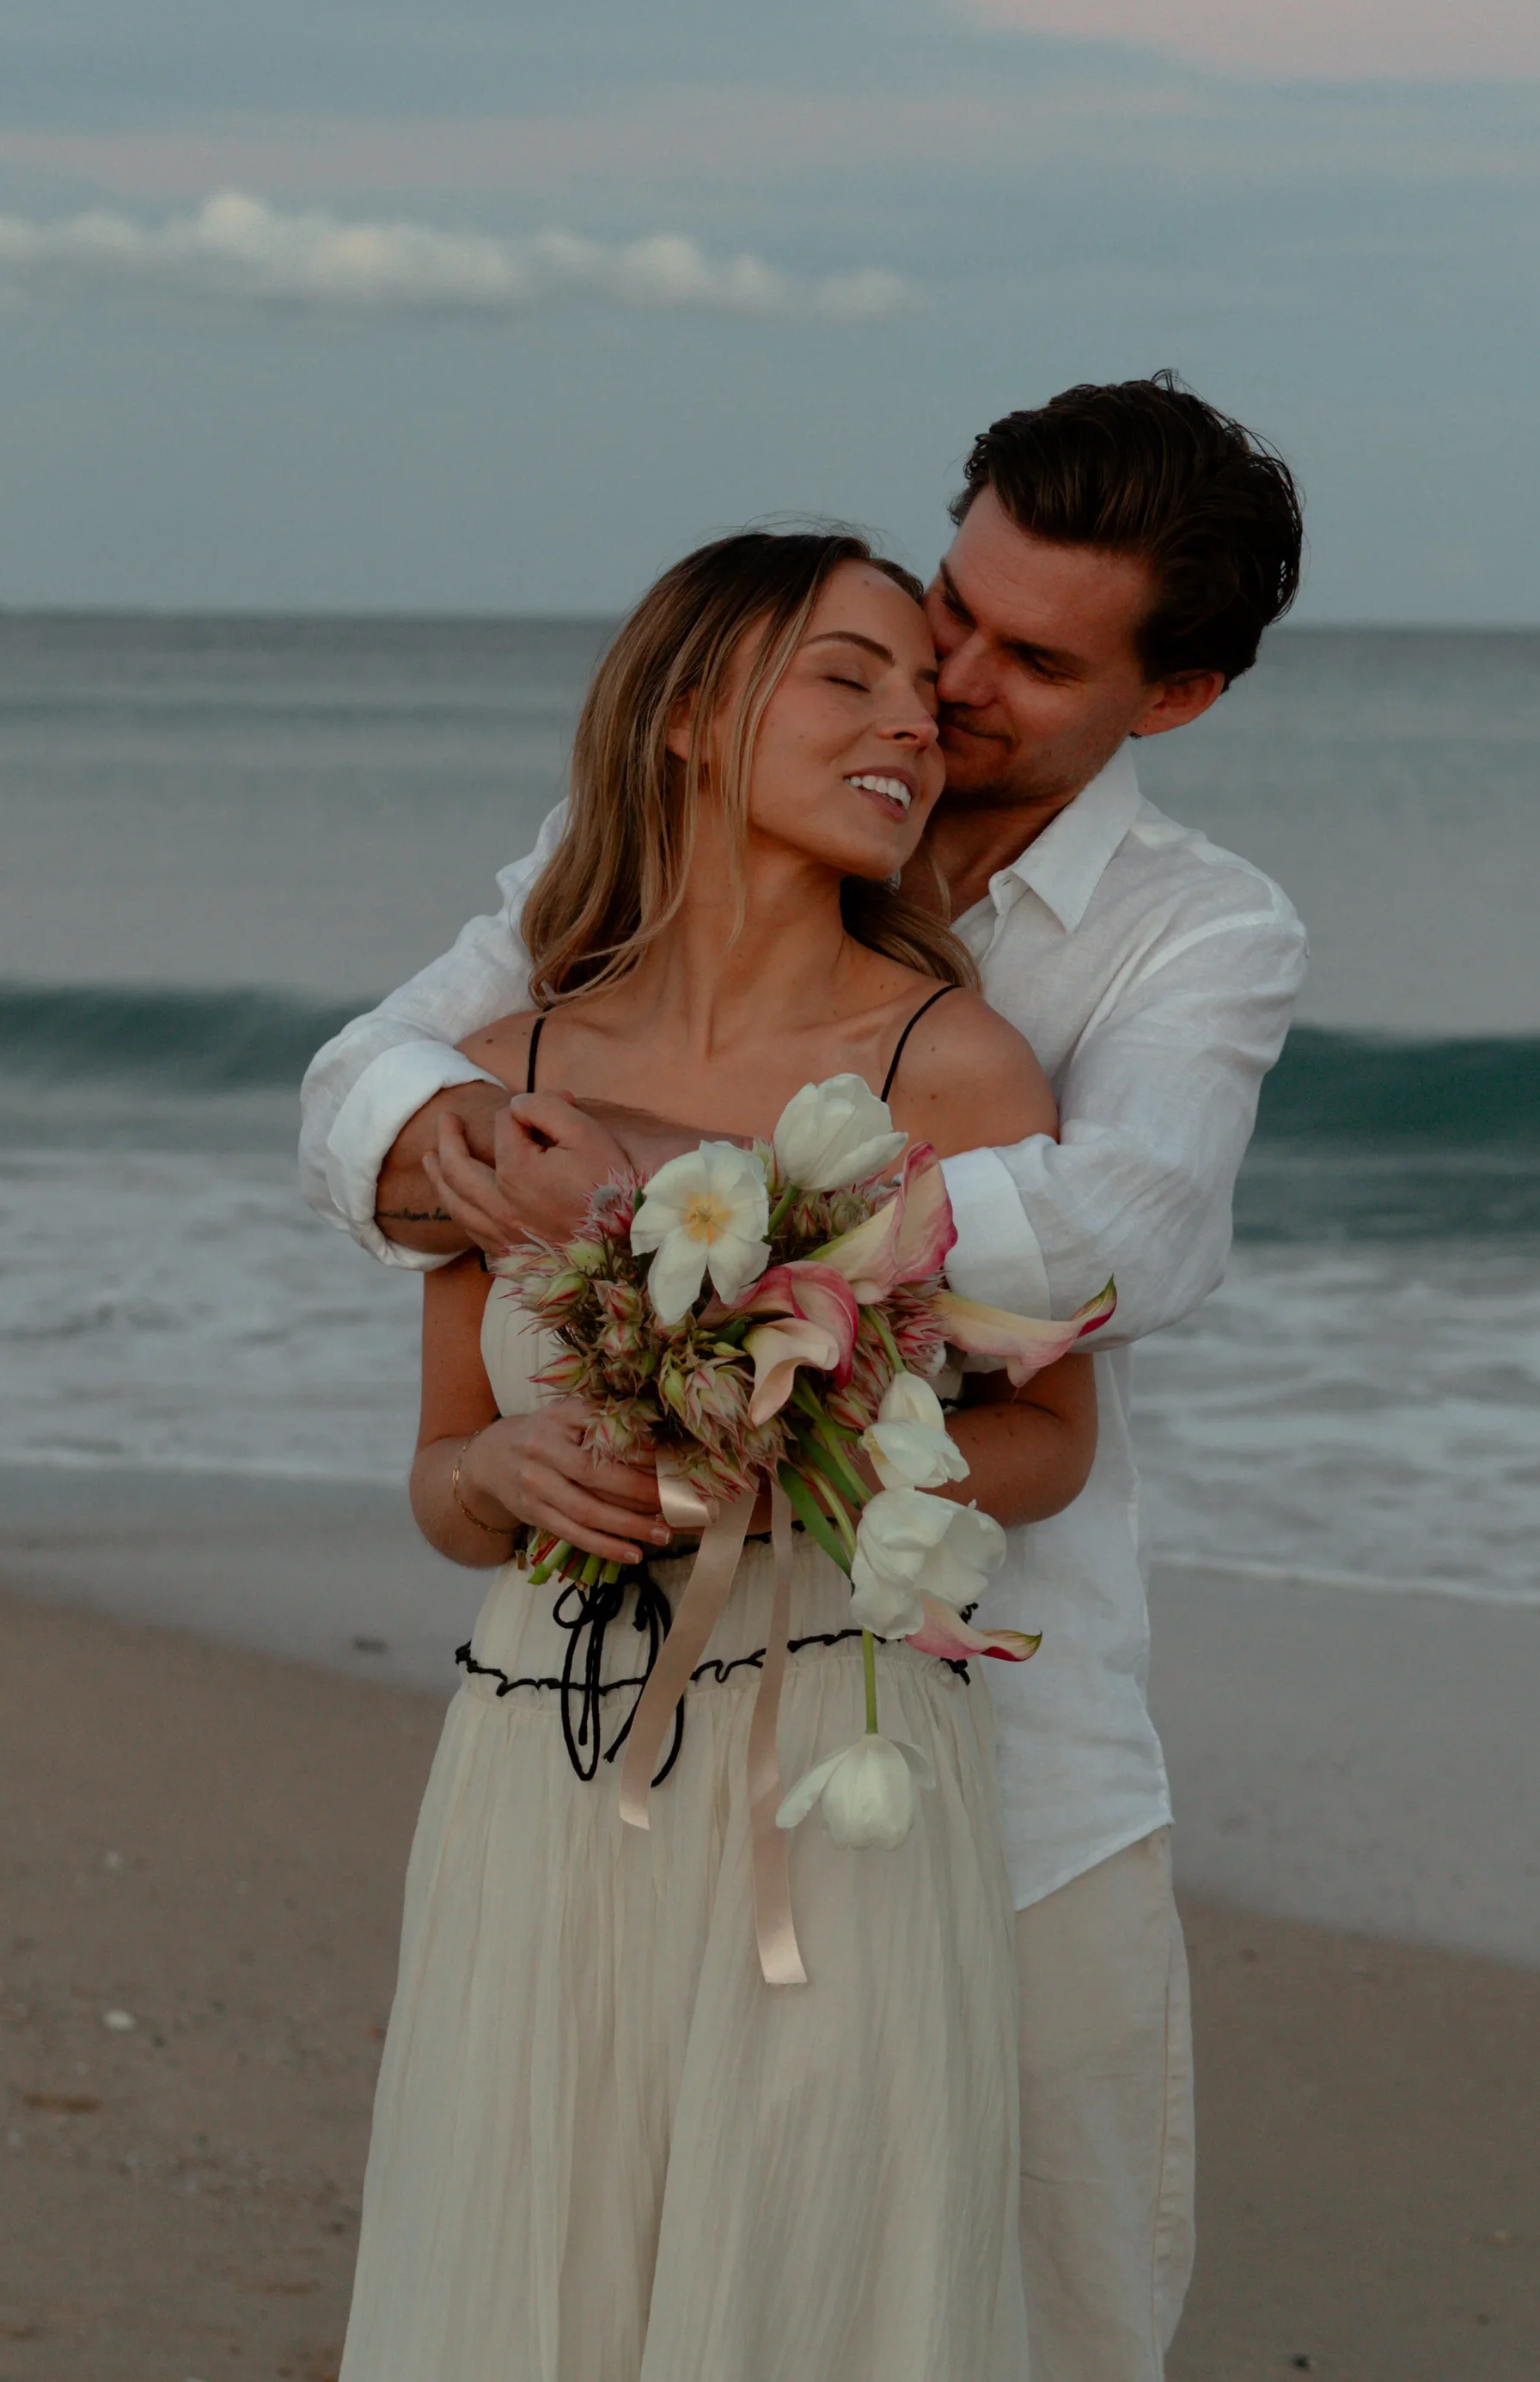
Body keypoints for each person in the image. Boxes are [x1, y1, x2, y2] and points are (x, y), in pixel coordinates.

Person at [305, 371, 1308, 2382]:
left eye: (1025, 660)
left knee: (1025, 2313)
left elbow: (1140, 1235)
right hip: (585, 1766)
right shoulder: (585, 918)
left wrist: (722, 1243)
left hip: (991, 1763)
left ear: (1169, 698)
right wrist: (463, 1164)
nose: (940, 685)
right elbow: (376, 1083)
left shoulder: (1185, 938)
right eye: (944, 608)